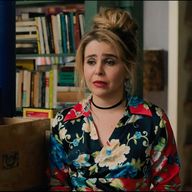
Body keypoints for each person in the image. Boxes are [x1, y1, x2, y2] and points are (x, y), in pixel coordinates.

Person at [48, 8, 181, 191]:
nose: (98, 71)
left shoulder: (153, 120)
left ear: (127, 67)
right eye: (91, 61)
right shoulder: (64, 123)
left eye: (110, 61)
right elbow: (56, 184)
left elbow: (169, 185)